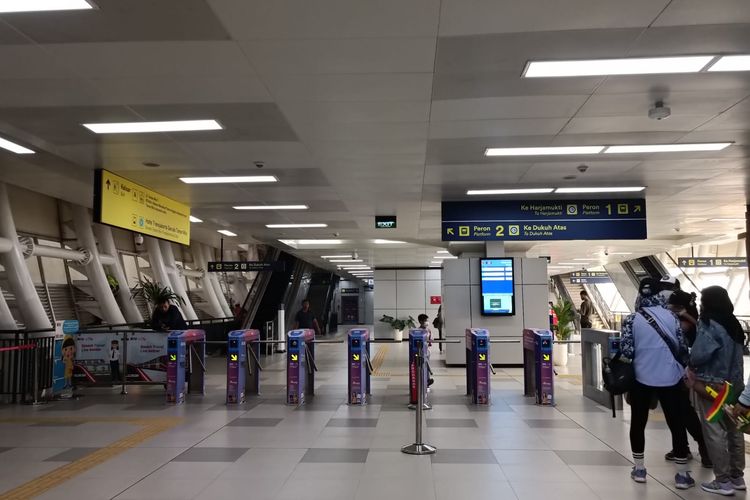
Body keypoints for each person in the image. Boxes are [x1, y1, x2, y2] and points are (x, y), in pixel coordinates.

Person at [620, 278, 693, 489]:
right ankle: (681, 474)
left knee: (638, 422)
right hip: (670, 377)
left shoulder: (632, 319)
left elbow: (627, 351)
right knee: (675, 422)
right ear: (660, 294)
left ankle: (640, 469)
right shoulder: (671, 317)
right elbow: (682, 346)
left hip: (641, 378)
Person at [688, 286, 745, 496]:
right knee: (734, 429)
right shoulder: (734, 323)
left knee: (714, 431)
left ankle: (722, 481)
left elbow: (700, 354)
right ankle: (737, 476)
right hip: (736, 384)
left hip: (713, 386)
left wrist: (691, 359)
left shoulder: (710, 322)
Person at [664, 290, 711, 468]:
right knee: (674, 411)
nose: (671, 310)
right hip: (673, 371)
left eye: (675, 307)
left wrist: (685, 317)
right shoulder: (677, 318)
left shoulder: (692, 322)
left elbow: (692, 335)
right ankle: (682, 447)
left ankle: (702, 446)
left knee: (685, 411)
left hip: (685, 372)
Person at [418, 314, 434, 387]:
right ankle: (425, 380)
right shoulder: (418, 331)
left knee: (427, 365)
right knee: (423, 366)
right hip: (421, 351)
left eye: (427, 320)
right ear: (421, 322)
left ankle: (427, 380)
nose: (427, 322)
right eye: (425, 321)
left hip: (427, 351)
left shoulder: (428, 330)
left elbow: (431, 340)